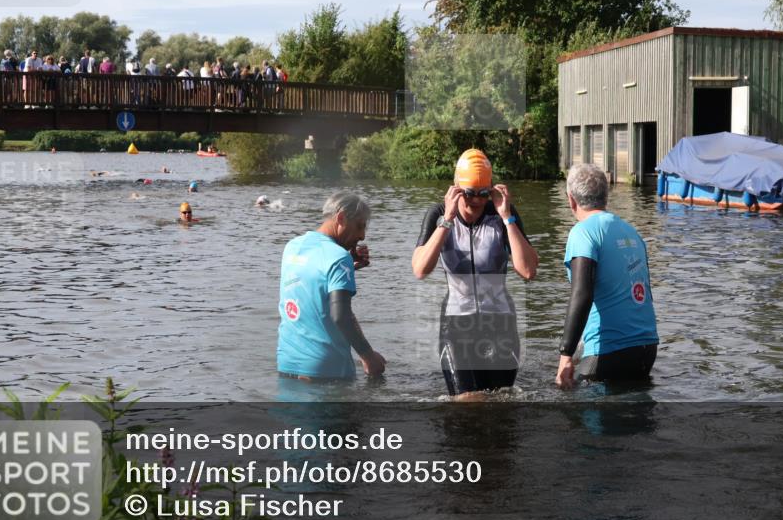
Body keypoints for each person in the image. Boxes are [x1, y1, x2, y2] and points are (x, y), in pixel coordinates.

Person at [412, 149, 538, 397]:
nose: (477, 201)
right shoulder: (437, 214)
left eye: (483, 193)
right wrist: (447, 220)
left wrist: (507, 217)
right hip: (457, 325)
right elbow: (420, 269)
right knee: (466, 401)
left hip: (500, 324)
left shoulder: (501, 214)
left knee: (501, 402)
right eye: (469, 193)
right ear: (456, 187)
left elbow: (528, 271)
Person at [555, 164, 659, 389]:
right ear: (606, 196)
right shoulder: (632, 232)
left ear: (570, 199)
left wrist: (566, 355)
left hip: (609, 351)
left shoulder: (582, 232)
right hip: (647, 348)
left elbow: (582, 294)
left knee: (582, 416)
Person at [277, 192, 385, 381]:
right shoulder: (338, 257)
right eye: (360, 226)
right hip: (327, 371)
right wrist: (369, 357)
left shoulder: (292, 246)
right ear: (341, 218)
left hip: (287, 364)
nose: (362, 235)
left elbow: (310, 286)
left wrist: (348, 270)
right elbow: (341, 316)